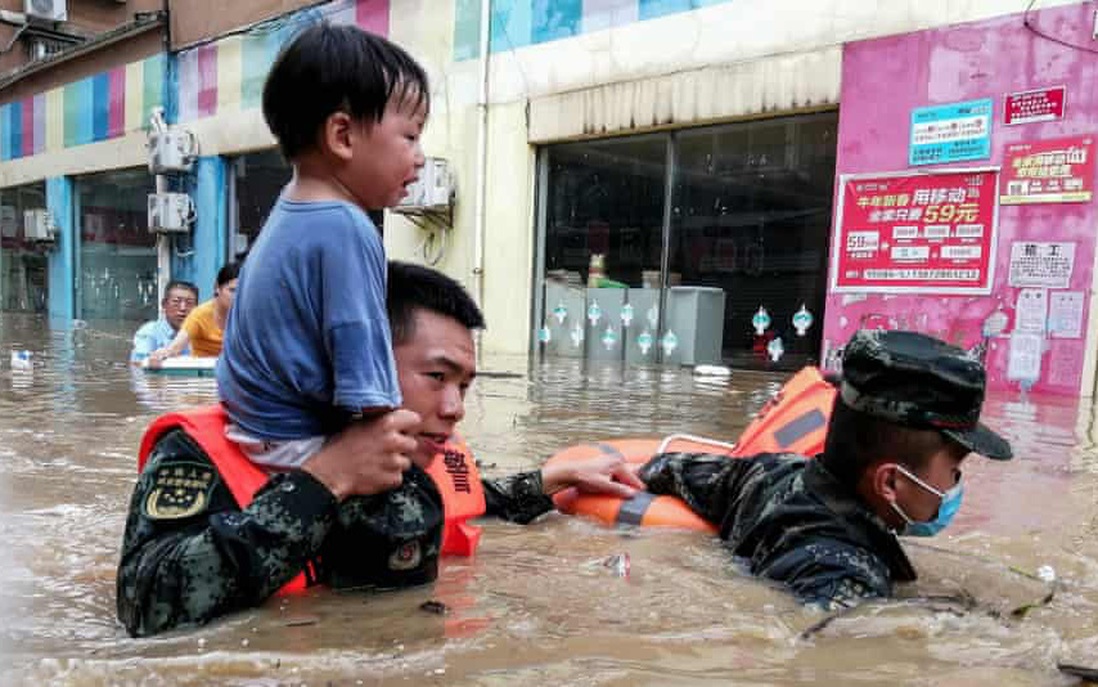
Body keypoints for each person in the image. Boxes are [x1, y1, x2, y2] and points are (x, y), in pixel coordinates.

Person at [116, 262, 642, 637]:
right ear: (355, 360)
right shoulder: (205, 451)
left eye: (465, 384)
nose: (456, 407)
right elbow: (144, 604)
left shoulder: (421, 453)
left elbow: (474, 500)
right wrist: (324, 481)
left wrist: (552, 480)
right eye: (437, 376)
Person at [636, 329, 1013, 610]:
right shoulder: (845, 578)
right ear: (890, 482)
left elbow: (668, 468)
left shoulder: (771, 472)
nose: (955, 486)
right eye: (954, 470)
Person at [215, 22, 428, 472]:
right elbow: (365, 375)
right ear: (343, 137)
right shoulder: (346, 226)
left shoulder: (290, 209)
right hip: (296, 443)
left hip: (253, 428)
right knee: (416, 492)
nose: (420, 156)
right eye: (410, 136)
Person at [148, 263, 240, 363]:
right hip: (204, 372)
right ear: (217, 288)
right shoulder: (200, 314)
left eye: (242, 290)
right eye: (232, 290)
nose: (237, 296)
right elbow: (176, 346)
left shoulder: (250, 315)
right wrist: (163, 353)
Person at [130, 281, 198, 365]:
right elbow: (139, 365)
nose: (183, 308)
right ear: (164, 305)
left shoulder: (201, 333)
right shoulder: (149, 332)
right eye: (176, 302)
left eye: (189, 303)